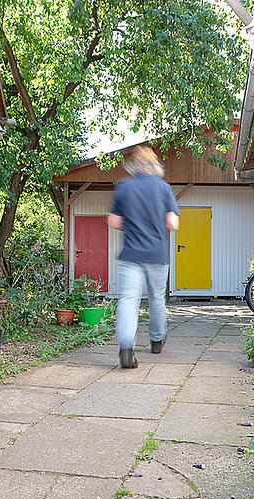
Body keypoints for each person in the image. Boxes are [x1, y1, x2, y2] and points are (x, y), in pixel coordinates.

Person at [108, 146, 180, 369]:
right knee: (157, 298)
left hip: (131, 254)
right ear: (154, 166)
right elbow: (173, 223)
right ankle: (157, 341)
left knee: (129, 299)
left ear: (134, 166)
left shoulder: (124, 187)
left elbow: (113, 221)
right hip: (157, 254)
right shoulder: (164, 188)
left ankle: (126, 349)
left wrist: (133, 223)